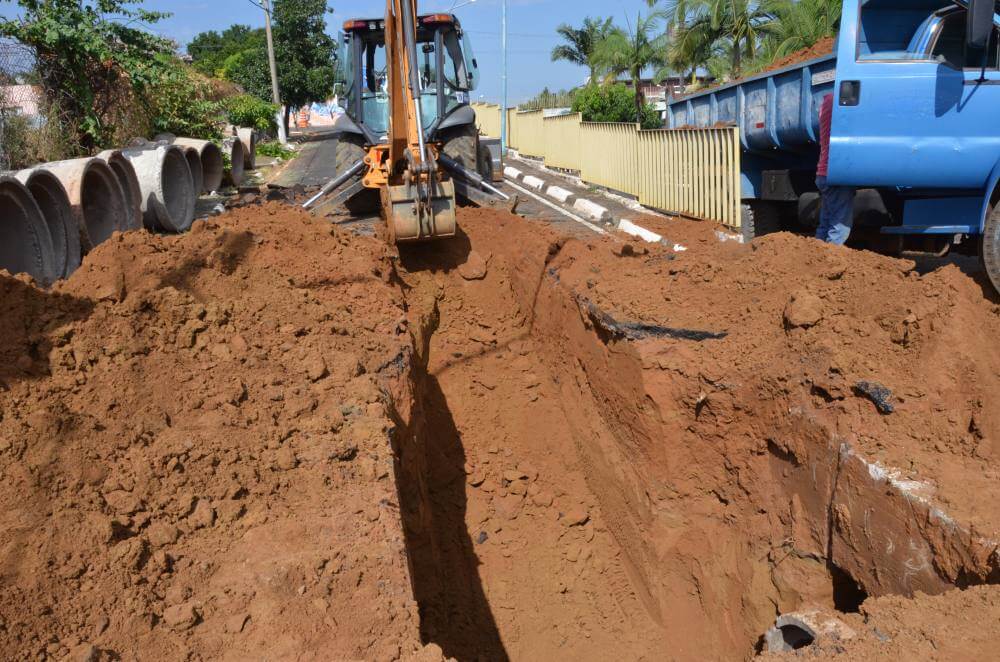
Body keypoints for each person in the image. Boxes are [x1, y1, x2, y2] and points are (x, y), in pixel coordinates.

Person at [815, 93, 855, 245]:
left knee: (825, 223)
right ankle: (831, 257)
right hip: (835, 174)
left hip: (823, 173)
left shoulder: (827, 101)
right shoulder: (839, 100)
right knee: (839, 227)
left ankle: (815, 254)